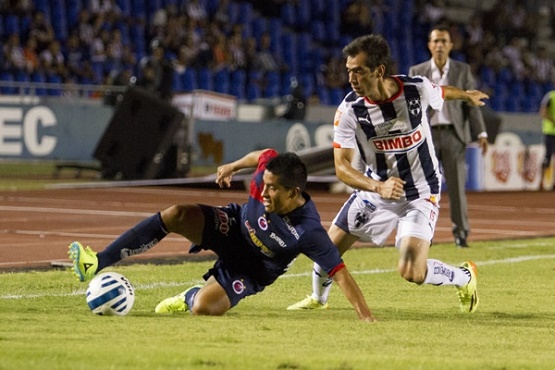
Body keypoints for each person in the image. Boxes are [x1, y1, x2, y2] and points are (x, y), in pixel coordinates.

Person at [287, 34, 485, 314]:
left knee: (411, 272)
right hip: (376, 190)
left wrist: (466, 96)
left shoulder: (415, 89)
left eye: (359, 72)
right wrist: (376, 187)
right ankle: (318, 299)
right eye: (349, 71)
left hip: (420, 193)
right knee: (326, 249)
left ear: (379, 71)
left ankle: (464, 277)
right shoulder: (349, 111)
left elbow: (443, 91)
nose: (352, 79)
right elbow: (342, 167)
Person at [68, 149, 376, 321]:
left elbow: (340, 274)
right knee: (177, 213)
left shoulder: (308, 232)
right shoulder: (267, 174)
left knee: (204, 309)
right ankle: (97, 261)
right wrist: (232, 166)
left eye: (272, 189)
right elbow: (262, 156)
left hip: (253, 269)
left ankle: (188, 296)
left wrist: (366, 317)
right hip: (234, 226)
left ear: (294, 192)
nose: (263, 192)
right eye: (264, 184)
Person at [409, 25, 489, 247]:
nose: (440, 46)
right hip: (426, 138)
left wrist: (481, 132)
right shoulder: (417, 70)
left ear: (451, 45)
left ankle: (460, 233)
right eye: (436, 41)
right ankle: (423, 234)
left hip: (454, 135)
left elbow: (472, 105)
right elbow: (409, 107)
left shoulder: (462, 71)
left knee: (456, 188)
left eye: (444, 41)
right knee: (423, 188)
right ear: (429, 45)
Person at [539, 90, 555, 190]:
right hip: (549, 132)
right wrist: (553, 120)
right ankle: (541, 181)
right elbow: (543, 112)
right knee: (547, 157)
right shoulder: (550, 96)